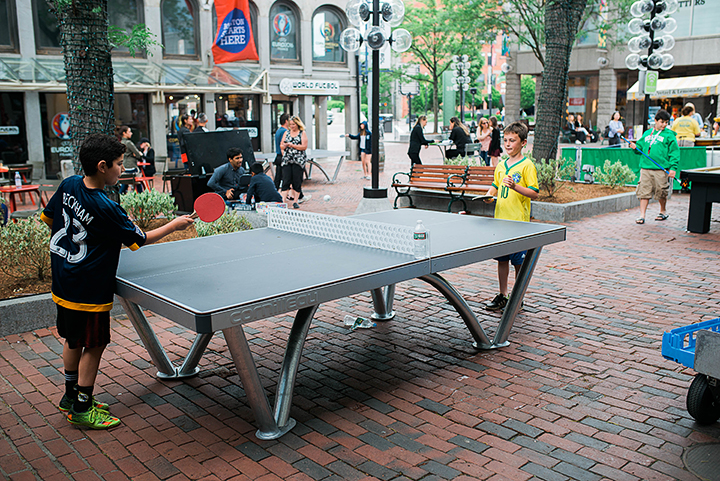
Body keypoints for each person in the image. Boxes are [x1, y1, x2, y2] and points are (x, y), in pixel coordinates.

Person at [40, 134, 193, 429]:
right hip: (89, 289)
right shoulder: (107, 207)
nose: (122, 169)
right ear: (102, 166)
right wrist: (174, 224)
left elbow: (49, 220)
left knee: (73, 340)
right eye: (119, 164)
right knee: (94, 345)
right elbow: (140, 240)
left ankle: (70, 396)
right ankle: (83, 408)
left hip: (63, 283)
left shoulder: (68, 184)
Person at [481, 122, 539, 311]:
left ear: (523, 142)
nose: (507, 144)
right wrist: (489, 197)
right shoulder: (501, 165)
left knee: (519, 263)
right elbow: (495, 187)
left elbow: (534, 193)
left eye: (512, 140)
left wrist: (515, 187)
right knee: (502, 260)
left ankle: (518, 295)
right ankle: (503, 295)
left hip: (518, 224)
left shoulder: (527, 165)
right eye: (505, 140)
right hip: (501, 222)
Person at [630, 109, 679, 224]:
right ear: (656, 121)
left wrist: (673, 168)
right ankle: (642, 215)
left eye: (666, 122)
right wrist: (635, 147)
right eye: (662, 122)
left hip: (661, 169)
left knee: (661, 191)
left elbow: (674, 152)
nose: (664, 125)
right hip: (646, 168)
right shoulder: (647, 133)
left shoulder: (669, 135)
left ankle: (662, 211)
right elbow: (640, 148)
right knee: (644, 191)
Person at [280, 116, 309, 209]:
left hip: (298, 160)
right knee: (286, 180)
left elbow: (304, 146)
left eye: (293, 124)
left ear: (297, 124)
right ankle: (283, 200)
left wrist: (292, 145)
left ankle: (295, 201)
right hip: (287, 159)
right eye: (290, 124)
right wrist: (284, 146)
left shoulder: (302, 133)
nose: (292, 126)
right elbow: (281, 145)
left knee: (297, 180)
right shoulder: (286, 133)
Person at [116, 125, 143, 194]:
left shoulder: (120, 143)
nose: (131, 133)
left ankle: (120, 195)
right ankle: (141, 197)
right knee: (138, 183)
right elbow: (138, 155)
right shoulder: (129, 143)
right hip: (132, 168)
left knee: (125, 183)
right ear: (124, 133)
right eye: (129, 132)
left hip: (124, 168)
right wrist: (138, 154)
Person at [274, 113, 289, 190]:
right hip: (282, 156)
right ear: (286, 121)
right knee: (286, 177)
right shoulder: (285, 132)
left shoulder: (279, 130)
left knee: (278, 177)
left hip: (278, 156)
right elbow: (283, 145)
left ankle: (275, 192)